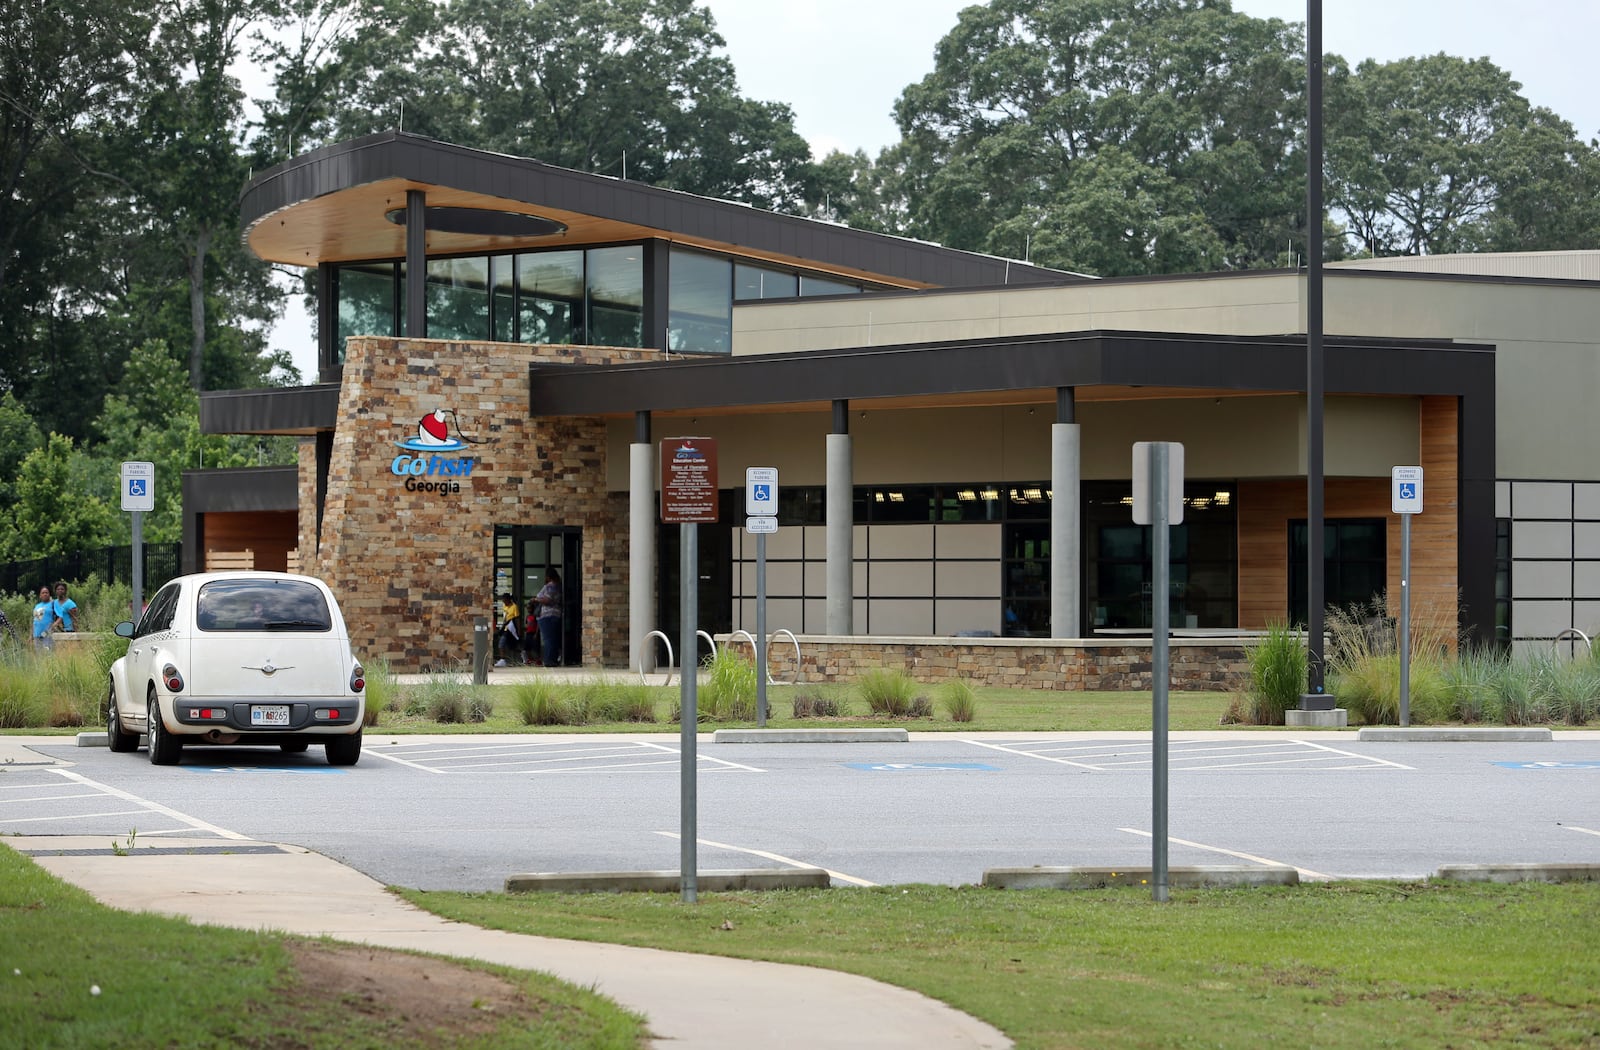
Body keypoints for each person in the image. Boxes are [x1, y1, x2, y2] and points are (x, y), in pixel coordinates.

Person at [533, 569, 562, 667]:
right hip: (556, 614)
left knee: (548, 639)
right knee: (553, 638)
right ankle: (553, 659)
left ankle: (548, 660)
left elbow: (547, 600)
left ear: (548, 577)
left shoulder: (550, 586)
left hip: (547, 616)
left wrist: (536, 599)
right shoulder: (558, 586)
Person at [494, 592, 520, 667]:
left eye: (505, 600)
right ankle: (503, 659)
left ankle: (507, 660)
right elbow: (505, 618)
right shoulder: (505, 607)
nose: (504, 602)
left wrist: (518, 630)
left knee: (506, 644)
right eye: (503, 601)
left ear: (509, 600)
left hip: (511, 628)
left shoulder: (514, 607)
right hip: (505, 628)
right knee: (506, 644)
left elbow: (517, 619)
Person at [31, 586, 55, 650]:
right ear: (40, 595)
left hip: (47, 633)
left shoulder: (53, 603)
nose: (45, 594)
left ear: (49, 594)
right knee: (39, 656)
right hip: (37, 634)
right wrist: (31, 635)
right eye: (43, 593)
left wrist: (53, 626)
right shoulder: (37, 606)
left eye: (46, 592)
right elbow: (35, 621)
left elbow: (59, 616)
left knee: (48, 654)